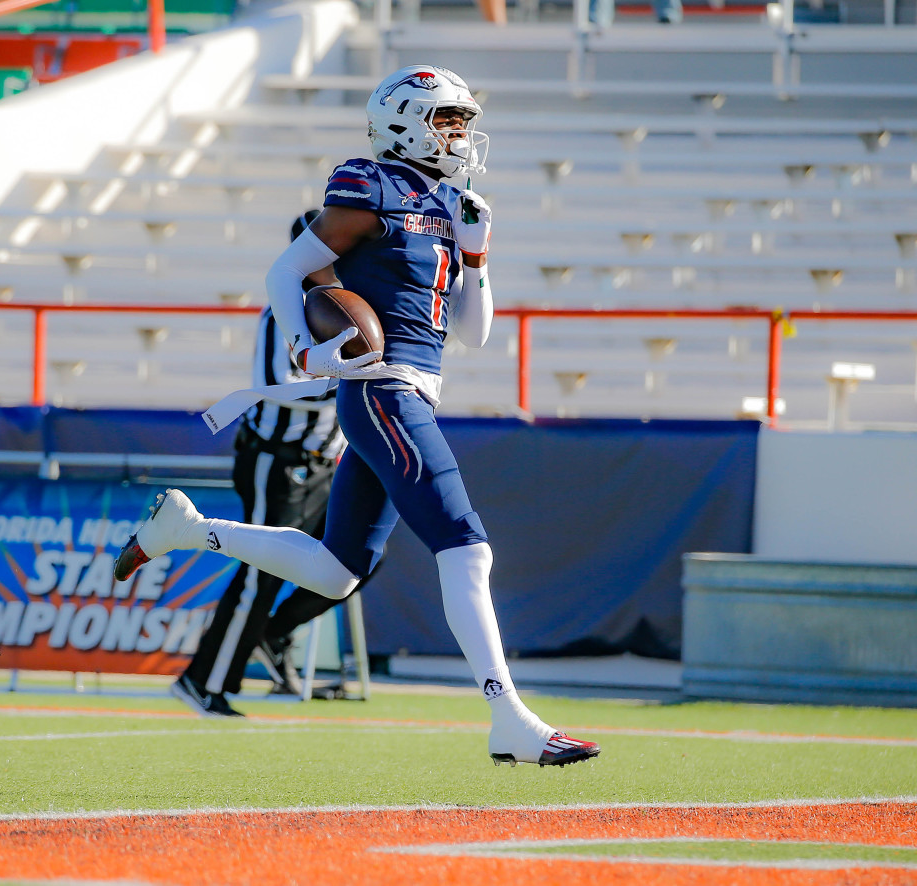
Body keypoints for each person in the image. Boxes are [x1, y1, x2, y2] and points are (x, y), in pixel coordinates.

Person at [116, 66, 600, 768]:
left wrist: (478, 257)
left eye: (463, 120)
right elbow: (287, 271)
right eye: (448, 119)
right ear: (404, 121)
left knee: (339, 571)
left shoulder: (448, 200)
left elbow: (475, 332)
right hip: (384, 388)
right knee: (468, 549)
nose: (461, 133)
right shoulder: (371, 185)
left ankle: (190, 530)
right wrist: (305, 345)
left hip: (411, 389)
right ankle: (510, 718)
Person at [171, 210, 367, 717]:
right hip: (276, 461)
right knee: (261, 570)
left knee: (360, 556)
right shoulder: (286, 309)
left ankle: (271, 634)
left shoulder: (356, 305)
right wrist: (342, 383)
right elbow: (272, 385)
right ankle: (203, 681)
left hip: (327, 463)